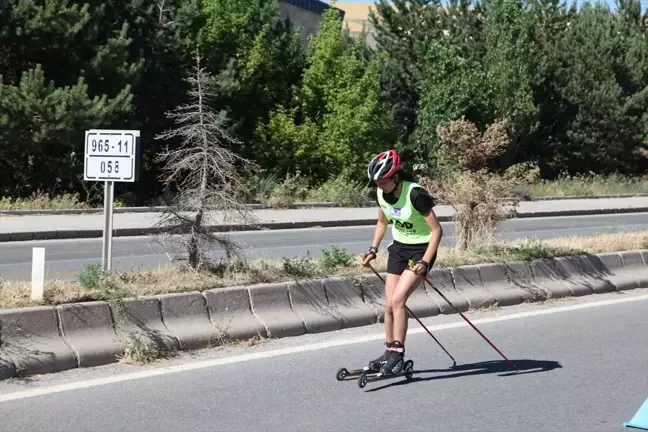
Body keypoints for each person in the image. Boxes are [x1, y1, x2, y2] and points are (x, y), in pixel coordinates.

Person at [361, 149, 443, 375]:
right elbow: (382, 222)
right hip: (398, 249)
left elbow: (437, 231)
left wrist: (425, 262)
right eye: (376, 182)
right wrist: (373, 249)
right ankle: (388, 351)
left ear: (396, 176)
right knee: (388, 304)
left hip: (421, 250)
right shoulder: (381, 194)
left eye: (383, 181)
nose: (379, 186)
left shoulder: (416, 194)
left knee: (398, 301)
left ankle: (398, 354)